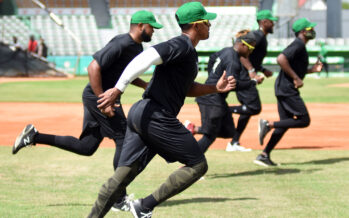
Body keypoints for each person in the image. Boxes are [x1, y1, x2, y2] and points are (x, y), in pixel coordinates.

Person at [88, 2, 235, 217]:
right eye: (206, 21)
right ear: (196, 25)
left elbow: (187, 88)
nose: (210, 24)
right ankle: (144, 205)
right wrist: (117, 89)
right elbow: (144, 58)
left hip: (143, 112)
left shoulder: (188, 52)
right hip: (156, 115)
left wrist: (215, 88)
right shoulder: (181, 44)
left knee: (124, 174)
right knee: (197, 165)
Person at [12, 10, 163, 212]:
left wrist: (145, 85)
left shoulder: (135, 47)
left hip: (100, 97)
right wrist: (103, 102)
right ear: (141, 25)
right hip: (99, 97)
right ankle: (118, 198)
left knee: (86, 146)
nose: (153, 31)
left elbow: (125, 74)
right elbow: (93, 68)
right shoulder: (122, 43)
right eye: (151, 27)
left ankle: (34, 136)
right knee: (124, 138)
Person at [255, 18, 323, 167]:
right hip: (287, 89)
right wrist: (296, 78)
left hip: (283, 88)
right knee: (303, 120)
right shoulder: (298, 44)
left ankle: (264, 155)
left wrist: (312, 70)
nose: (313, 31)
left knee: (284, 123)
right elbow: (281, 59)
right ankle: (268, 124)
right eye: (310, 29)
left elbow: (295, 67)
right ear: (303, 32)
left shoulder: (301, 46)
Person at [185, 30, 263, 153]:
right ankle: (190, 162)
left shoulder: (226, 50)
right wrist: (253, 82)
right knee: (210, 135)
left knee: (229, 131)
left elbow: (212, 58)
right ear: (242, 45)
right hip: (211, 99)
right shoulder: (234, 61)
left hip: (215, 98)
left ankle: (193, 129)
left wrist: (213, 75)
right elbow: (232, 85)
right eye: (250, 47)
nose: (251, 51)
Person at [226, 10, 277, 151]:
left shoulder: (262, 37)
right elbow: (242, 55)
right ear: (264, 22)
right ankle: (223, 110)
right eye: (271, 21)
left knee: (247, 110)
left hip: (245, 74)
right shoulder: (257, 36)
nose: (273, 24)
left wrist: (262, 69)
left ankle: (234, 142)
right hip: (243, 75)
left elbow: (252, 58)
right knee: (253, 108)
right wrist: (252, 72)